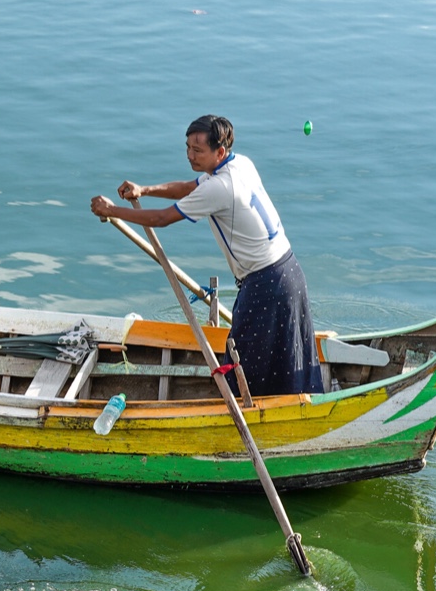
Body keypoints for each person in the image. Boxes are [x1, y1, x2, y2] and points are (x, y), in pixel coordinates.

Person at [89, 114, 325, 396]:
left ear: (220, 151)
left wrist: (112, 210)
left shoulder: (220, 187)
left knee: (246, 361)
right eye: (187, 148)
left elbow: (164, 218)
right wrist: (144, 190)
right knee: (281, 356)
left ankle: (253, 418)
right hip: (289, 270)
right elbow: (190, 187)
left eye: (197, 150)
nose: (190, 155)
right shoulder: (239, 164)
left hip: (267, 282)